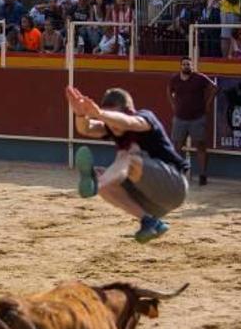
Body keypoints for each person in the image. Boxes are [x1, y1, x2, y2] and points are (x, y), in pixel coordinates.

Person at [65, 86, 190, 243]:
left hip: (174, 186)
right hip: (153, 203)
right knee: (106, 178)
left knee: (128, 157)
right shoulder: (110, 126)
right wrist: (80, 114)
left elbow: (129, 122)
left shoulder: (144, 118)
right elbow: (86, 128)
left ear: (129, 111)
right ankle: (150, 222)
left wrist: (100, 114)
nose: (112, 126)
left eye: (113, 118)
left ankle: (97, 184)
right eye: (109, 121)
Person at [167, 57, 217, 185]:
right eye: (184, 64)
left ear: (192, 66)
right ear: (180, 66)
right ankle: (179, 173)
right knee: (177, 146)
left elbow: (214, 87)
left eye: (188, 64)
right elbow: (169, 91)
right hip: (180, 117)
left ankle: (202, 174)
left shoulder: (199, 77)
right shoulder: (175, 79)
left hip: (197, 117)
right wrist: (173, 104)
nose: (186, 66)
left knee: (200, 145)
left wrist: (208, 104)